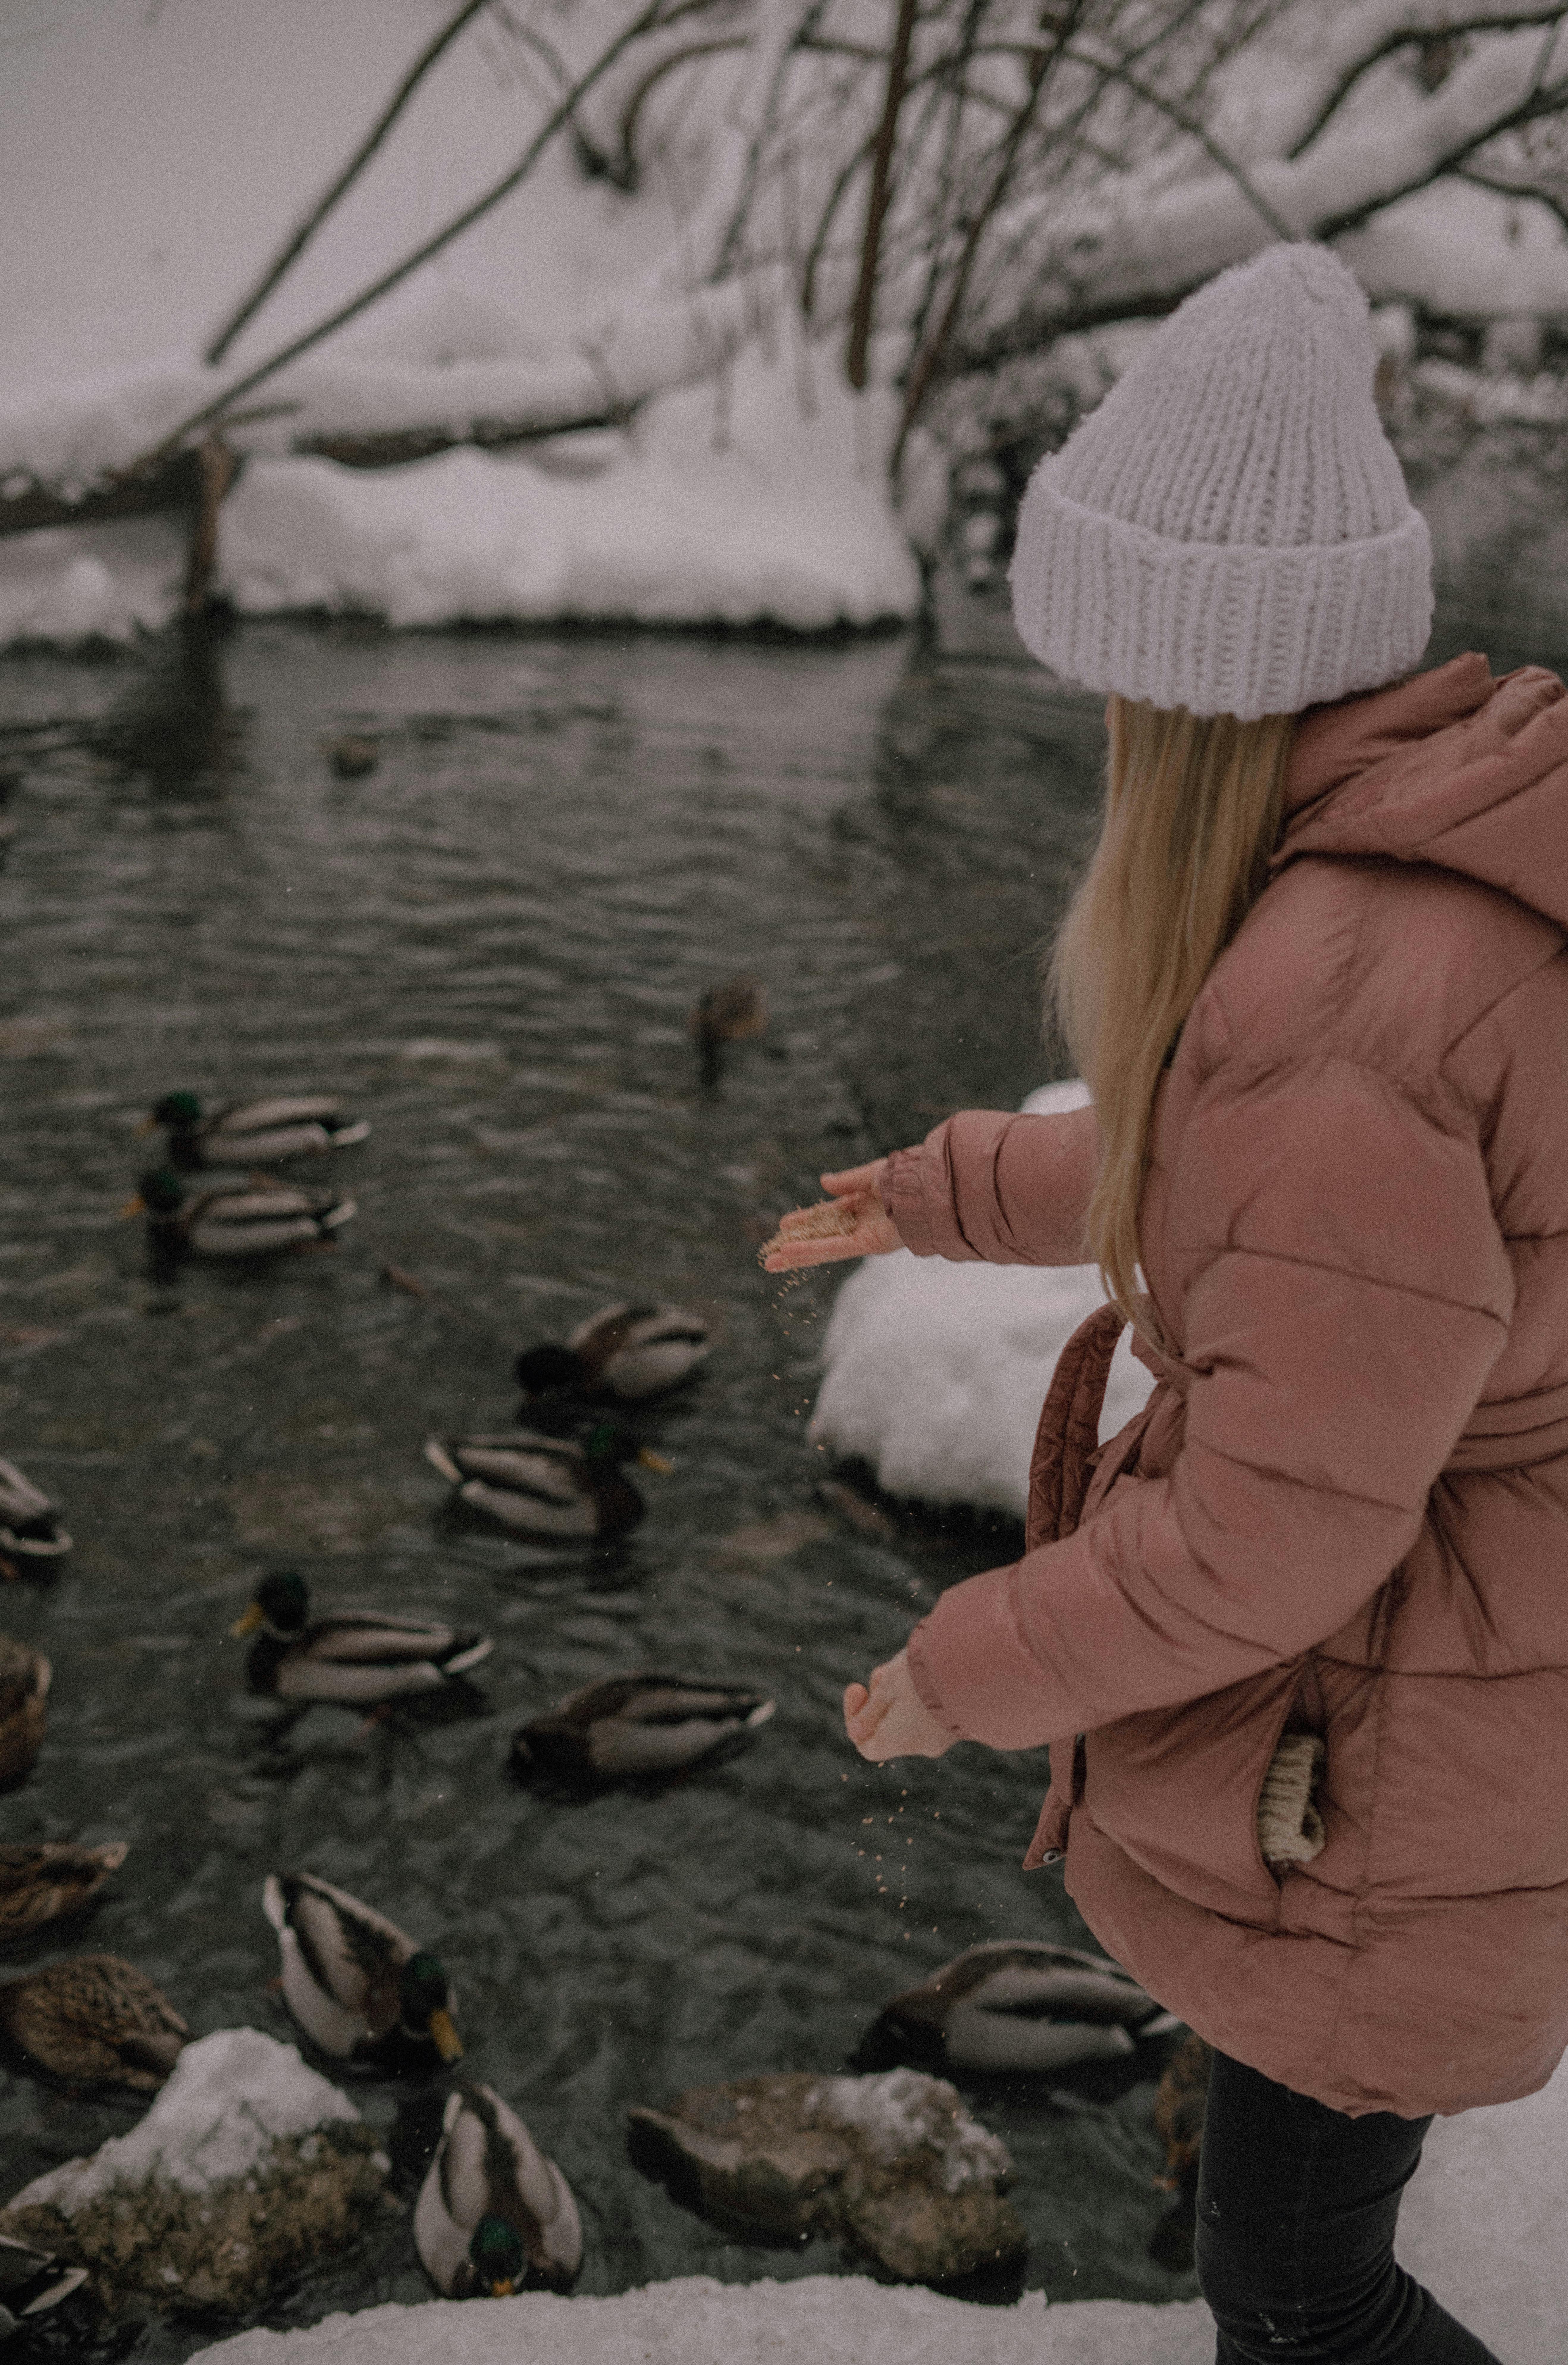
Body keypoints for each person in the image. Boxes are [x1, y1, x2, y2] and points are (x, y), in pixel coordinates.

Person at [762, 244, 1568, 2363]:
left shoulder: (1331, 1013)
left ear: (1190, 689)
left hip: (1400, 1749)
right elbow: (1301, 1224)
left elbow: (1274, 1528)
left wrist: (974, 1664)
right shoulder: (1419, 885)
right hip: (1473, 1674)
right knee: (1287, 2273)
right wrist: (945, 1190)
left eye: (1109, 688)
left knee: (1301, 2293)